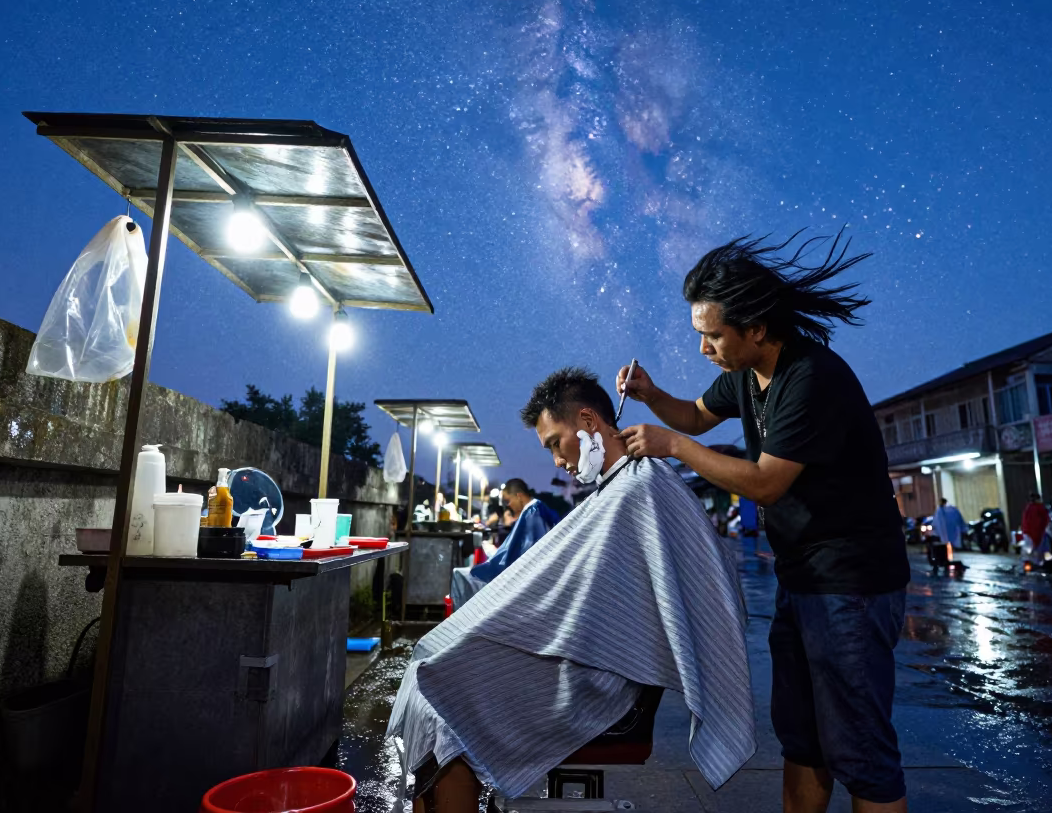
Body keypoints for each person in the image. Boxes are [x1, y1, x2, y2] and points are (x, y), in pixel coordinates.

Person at [615, 231, 910, 812]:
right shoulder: (748, 375)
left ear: (755, 328)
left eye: (713, 335)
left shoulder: (811, 378)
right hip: (801, 579)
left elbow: (765, 482)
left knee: (861, 753)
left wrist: (668, 443)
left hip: (852, 582)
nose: (704, 348)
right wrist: (651, 396)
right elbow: (697, 417)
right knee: (802, 742)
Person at [388, 367, 755, 813]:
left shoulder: (641, 488)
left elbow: (597, 605)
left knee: (447, 709)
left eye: (554, 444)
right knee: (432, 674)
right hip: (586, 658)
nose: (557, 461)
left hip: (602, 679)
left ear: (587, 422)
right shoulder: (618, 488)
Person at [450, 478, 561, 608]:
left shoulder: (532, 513)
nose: (508, 505)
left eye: (508, 500)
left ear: (519, 496)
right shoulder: (538, 508)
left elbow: (524, 553)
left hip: (520, 576)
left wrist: (494, 554)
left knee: (460, 576)